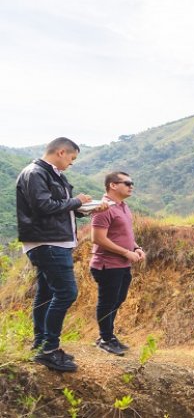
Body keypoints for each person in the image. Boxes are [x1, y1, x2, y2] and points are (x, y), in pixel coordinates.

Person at [16, 137, 108, 372]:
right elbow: (43, 207)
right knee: (66, 292)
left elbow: (60, 207)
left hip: (54, 240)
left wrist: (84, 208)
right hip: (47, 241)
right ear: (60, 152)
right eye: (72, 158)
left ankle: (42, 346)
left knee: (46, 293)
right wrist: (76, 201)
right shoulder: (35, 173)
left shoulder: (53, 175)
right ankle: (49, 349)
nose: (71, 163)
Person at [89, 171, 145, 356]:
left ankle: (108, 336)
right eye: (127, 183)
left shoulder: (123, 206)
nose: (131, 186)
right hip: (107, 264)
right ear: (113, 185)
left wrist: (136, 248)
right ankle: (105, 339)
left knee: (118, 299)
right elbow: (97, 238)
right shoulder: (103, 208)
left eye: (132, 183)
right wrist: (125, 252)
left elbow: (125, 233)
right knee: (107, 302)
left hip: (122, 264)